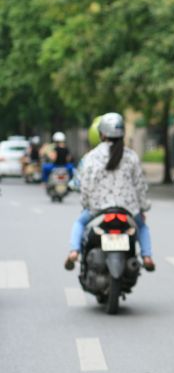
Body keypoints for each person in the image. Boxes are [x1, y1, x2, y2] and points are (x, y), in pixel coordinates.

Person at [64, 113, 155, 272]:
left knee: (79, 222)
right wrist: (142, 208)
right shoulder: (131, 156)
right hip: (128, 209)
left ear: (101, 133)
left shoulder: (91, 157)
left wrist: (86, 204)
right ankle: (147, 257)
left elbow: (85, 185)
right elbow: (140, 185)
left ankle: (74, 252)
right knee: (142, 226)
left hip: (98, 209)